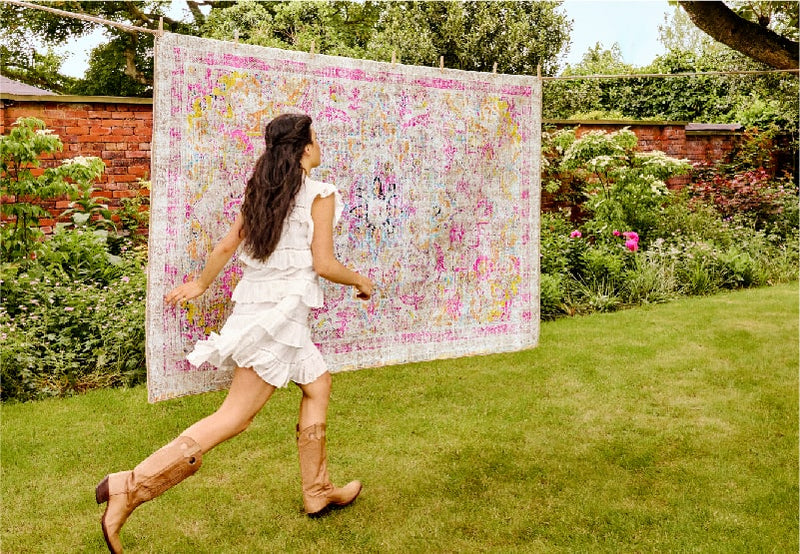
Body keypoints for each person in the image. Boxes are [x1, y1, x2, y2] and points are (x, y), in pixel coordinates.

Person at [95, 113, 374, 553]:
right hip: (278, 318)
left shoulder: (263, 192)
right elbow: (323, 264)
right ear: (303, 149)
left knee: (318, 385)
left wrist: (202, 283)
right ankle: (131, 485)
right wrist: (360, 280)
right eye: (315, 141)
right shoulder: (321, 194)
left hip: (267, 310)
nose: (319, 147)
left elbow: (228, 245)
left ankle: (318, 490)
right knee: (235, 417)